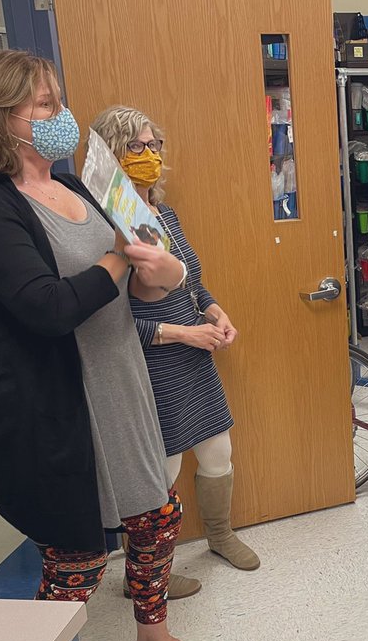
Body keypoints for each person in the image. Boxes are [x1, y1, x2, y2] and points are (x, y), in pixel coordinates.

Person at [0, 49, 222, 641]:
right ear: (1, 118)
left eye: (58, 101)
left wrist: (163, 270)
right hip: (51, 404)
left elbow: (151, 269)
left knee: (157, 516)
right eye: (45, 105)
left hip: (119, 381)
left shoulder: (77, 184)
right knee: (78, 556)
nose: (61, 116)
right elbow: (46, 307)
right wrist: (124, 259)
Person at [92, 104, 260, 579]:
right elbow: (112, 322)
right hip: (151, 363)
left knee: (217, 451)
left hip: (194, 357)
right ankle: (145, 571)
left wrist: (213, 310)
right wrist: (183, 333)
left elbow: (191, 281)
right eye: (136, 146)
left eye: (154, 145)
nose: (149, 154)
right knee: (158, 475)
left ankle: (220, 535)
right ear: (112, 156)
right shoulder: (107, 228)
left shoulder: (164, 214)